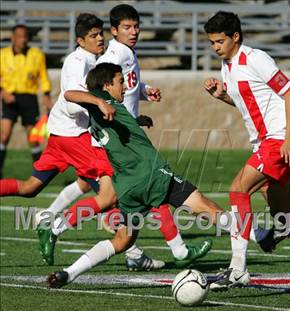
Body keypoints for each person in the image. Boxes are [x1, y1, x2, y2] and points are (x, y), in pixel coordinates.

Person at [42, 4, 213, 270]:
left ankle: (68, 232)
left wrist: (143, 93)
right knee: (149, 185)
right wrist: (103, 108)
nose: (133, 32)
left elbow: (125, 87)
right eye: (126, 27)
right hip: (115, 139)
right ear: (114, 31)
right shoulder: (111, 54)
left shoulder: (125, 52)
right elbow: (99, 88)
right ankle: (175, 249)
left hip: (125, 132)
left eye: (136, 27)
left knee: (117, 197)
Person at [46, 63, 226, 288]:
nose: (125, 86)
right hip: (150, 173)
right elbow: (69, 94)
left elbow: (113, 123)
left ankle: (68, 273)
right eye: (121, 81)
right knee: (204, 206)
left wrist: (134, 121)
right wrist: (100, 100)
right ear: (107, 84)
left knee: (122, 241)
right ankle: (255, 235)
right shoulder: (102, 99)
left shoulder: (107, 108)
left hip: (128, 186)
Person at [203, 11, 290, 289]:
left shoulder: (255, 59)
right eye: (212, 42)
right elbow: (248, 103)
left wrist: (289, 140)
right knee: (282, 211)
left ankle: (237, 268)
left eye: (219, 41)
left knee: (238, 189)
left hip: (277, 140)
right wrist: (222, 95)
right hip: (264, 142)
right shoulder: (227, 66)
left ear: (235, 37)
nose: (215, 47)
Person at [0, 24, 53, 178]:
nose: (23, 40)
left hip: (29, 99)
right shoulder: (3, 55)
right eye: (20, 37)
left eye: (25, 37)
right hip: (9, 97)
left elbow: (43, 76)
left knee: (33, 138)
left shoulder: (36, 55)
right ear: (13, 38)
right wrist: (3, 92)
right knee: (4, 135)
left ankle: (40, 174)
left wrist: (47, 95)